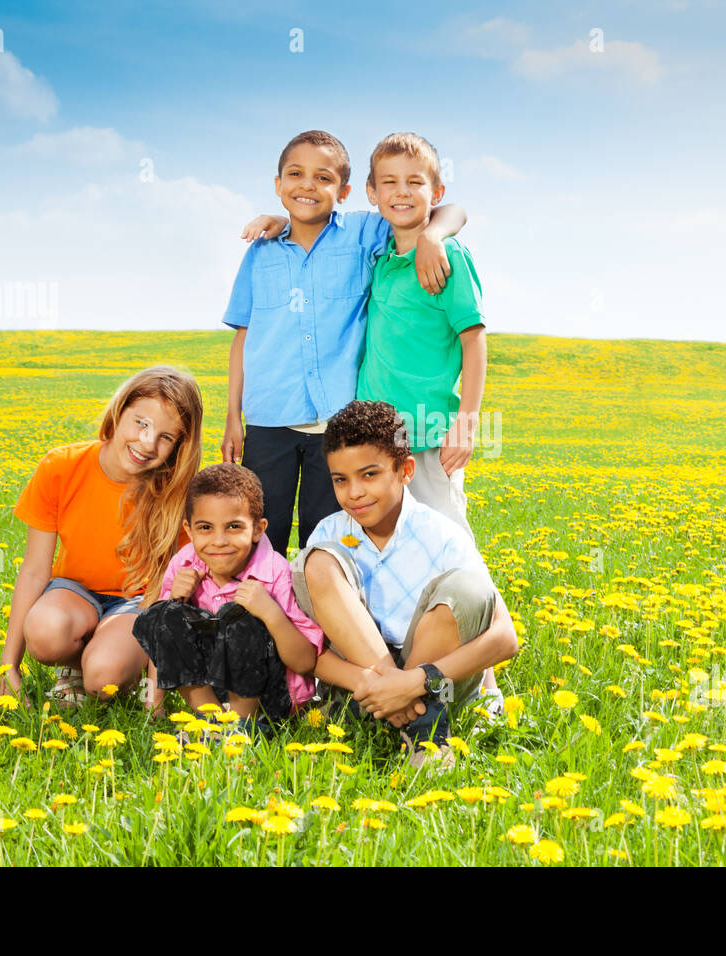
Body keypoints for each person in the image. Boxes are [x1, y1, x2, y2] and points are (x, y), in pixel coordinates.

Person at [221, 129, 466, 558]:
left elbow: (448, 209)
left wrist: (433, 236)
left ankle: (323, 623)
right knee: (262, 533)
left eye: (323, 178)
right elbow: (243, 337)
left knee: (330, 538)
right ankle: (256, 619)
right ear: (278, 185)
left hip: (336, 423)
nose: (308, 186)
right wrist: (232, 417)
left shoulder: (363, 233)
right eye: (295, 175)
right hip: (268, 419)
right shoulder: (260, 254)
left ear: (347, 190)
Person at [291, 400, 518, 769]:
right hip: (360, 689)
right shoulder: (329, 533)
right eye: (340, 480)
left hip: (432, 683)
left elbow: (506, 637)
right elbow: (303, 641)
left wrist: (413, 683)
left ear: (406, 470)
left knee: (468, 588)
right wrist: (380, 683)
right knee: (314, 563)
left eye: (369, 475)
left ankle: (424, 736)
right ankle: (395, 712)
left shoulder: (443, 533)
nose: (354, 492)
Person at [0, 366, 203, 710]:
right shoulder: (61, 466)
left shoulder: (176, 494)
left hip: (136, 605)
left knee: (103, 679)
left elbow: (169, 598)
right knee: (46, 633)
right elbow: (34, 570)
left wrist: (156, 690)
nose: (147, 443)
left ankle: (110, 659)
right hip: (72, 593)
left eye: (166, 437)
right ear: (119, 411)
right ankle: (77, 664)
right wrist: (9, 667)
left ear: (179, 446)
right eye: (141, 423)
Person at [357, 132, 485, 539]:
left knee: (446, 541)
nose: (402, 192)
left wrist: (466, 422)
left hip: (430, 434)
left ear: (436, 191)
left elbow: (473, 341)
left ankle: (482, 605)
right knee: (392, 542)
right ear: (371, 193)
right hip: (378, 437)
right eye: (389, 182)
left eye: (415, 182)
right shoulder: (380, 257)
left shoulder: (449, 258)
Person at [132, 463, 323, 723]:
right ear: (189, 530)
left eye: (234, 527)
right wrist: (154, 708)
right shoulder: (184, 563)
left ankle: (240, 726)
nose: (219, 541)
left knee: (237, 617)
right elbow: (162, 636)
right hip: (212, 688)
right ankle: (213, 720)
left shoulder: (276, 572)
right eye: (205, 528)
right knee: (162, 613)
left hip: (269, 697)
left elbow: (304, 662)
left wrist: (271, 613)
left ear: (258, 529)